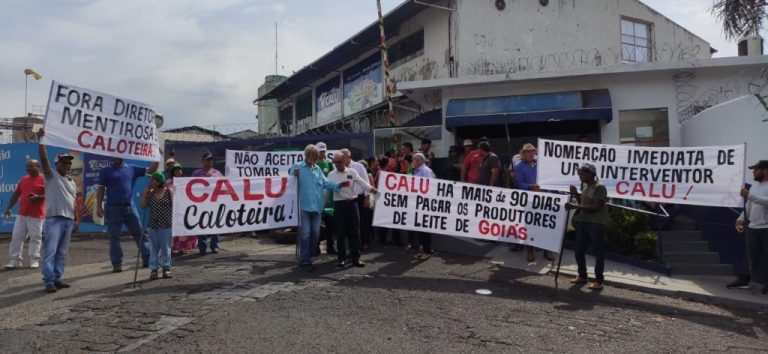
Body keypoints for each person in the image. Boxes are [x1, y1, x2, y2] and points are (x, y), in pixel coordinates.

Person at [290, 144, 348, 271]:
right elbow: (289, 176)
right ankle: (304, 261)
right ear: (308, 155)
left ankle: (309, 257)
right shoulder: (298, 166)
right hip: (304, 206)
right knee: (305, 234)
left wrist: (338, 185)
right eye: (315, 156)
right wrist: (294, 173)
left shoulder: (317, 169)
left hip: (317, 207)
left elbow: (326, 183)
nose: (317, 158)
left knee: (315, 235)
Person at [97, 154, 158, 273]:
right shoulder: (106, 171)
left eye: (117, 155)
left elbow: (152, 169)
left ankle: (147, 258)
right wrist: (99, 206)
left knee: (139, 233)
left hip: (130, 207)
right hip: (112, 208)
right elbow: (100, 189)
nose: (114, 157)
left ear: (123, 155)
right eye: (113, 155)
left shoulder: (132, 168)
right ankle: (116, 263)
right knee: (114, 237)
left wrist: (157, 154)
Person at [37, 129, 78, 293]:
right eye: (63, 162)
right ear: (56, 164)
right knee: (51, 251)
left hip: (68, 220)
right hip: (54, 219)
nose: (67, 164)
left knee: (62, 252)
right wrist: (41, 141)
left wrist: (75, 218)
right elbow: (44, 159)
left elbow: (72, 201)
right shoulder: (51, 175)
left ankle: (57, 278)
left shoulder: (72, 181)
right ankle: (48, 281)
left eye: (69, 162)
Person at [328, 151, 377, 268]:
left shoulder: (352, 171)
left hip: (352, 204)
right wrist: (339, 186)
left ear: (344, 160)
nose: (337, 165)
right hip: (339, 205)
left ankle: (356, 258)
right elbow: (328, 187)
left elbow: (362, 182)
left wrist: (372, 190)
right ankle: (341, 259)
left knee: (355, 232)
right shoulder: (331, 174)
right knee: (340, 233)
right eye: (335, 162)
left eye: (339, 162)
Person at [565, 163, 608, 291]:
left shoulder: (600, 187)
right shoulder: (585, 186)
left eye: (582, 173)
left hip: (596, 223)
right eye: (579, 173)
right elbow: (582, 203)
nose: (580, 176)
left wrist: (575, 207)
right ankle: (583, 276)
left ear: (590, 174)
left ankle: (599, 281)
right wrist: (576, 195)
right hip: (583, 223)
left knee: (598, 252)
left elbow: (596, 207)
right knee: (578, 250)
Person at [728, 160, 768, 294]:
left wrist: (749, 195)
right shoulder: (755, 186)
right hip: (754, 226)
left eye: (756, 169)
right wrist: (741, 219)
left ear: (765, 170)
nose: (753, 172)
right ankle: (744, 279)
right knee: (751, 255)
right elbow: (749, 205)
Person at [515, 143, 554, 262]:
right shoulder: (519, 167)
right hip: (529, 201)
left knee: (546, 225)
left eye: (533, 151)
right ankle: (530, 251)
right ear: (524, 154)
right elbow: (519, 184)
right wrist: (530, 187)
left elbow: (548, 180)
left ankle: (547, 250)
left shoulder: (541, 165)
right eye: (529, 152)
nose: (532, 154)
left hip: (544, 199)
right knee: (529, 226)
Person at [4, 159, 45, 269]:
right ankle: (15, 260)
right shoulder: (24, 179)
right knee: (17, 237)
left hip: (37, 215)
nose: (28, 168)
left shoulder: (44, 179)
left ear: (38, 166)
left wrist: (39, 197)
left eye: (31, 166)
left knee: (35, 237)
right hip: (22, 214)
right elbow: (16, 193)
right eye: (27, 166)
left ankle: (34, 260)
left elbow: (51, 195)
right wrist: (9, 208)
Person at [141, 172, 173, 280]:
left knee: (165, 247)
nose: (150, 182)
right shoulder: (150, 193)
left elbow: (175, 207)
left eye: (153, 180)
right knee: (153, 248)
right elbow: (143, 206)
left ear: (159, 182)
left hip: (166, 224)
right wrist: (144, 194)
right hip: (153, 224)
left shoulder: (168, 192)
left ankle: (166, 268)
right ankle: (154, 269)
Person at [191, 151, 222, 256]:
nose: (210, 161)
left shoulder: (217, 173)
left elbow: (224, 186)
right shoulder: (196, 173)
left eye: (211, 159)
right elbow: (191, 187)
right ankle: (202, 247)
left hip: (214, 202)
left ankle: (214, 246)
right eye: (207, 159)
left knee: (215, 224)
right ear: (202, 161)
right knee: (201, 224)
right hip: (201, 203)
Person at [342, 149, 374, 250]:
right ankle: (352, 245)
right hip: (346, 198)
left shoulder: (358, 166)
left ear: (349, 157)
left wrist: (367, 198)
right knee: (349, 223)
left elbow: (366, 182)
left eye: (344, 158)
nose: (342, 160)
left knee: (361, 222)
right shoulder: (340, 168)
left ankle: (363, 243)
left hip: (359, 197)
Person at [165, 163, 197, 253]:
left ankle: (183, 247)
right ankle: (172, 246)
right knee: (173, 227)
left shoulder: (186, 181)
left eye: (179, 169)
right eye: (176, 170)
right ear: (173, 172)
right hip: (172, 209)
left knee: (183, 227)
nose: (178, 171)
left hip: (184, 208)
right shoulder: (168, 182)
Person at [412, 153, 435, 261]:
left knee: (424, 228)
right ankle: (424, 250)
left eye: (414, 160)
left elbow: (430, 186)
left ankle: (427, 250)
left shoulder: (425, 171)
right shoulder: (417, 171)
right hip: (418, 202)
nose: (413, 162)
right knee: (420, 228)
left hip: (424, 203)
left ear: (420, 160)